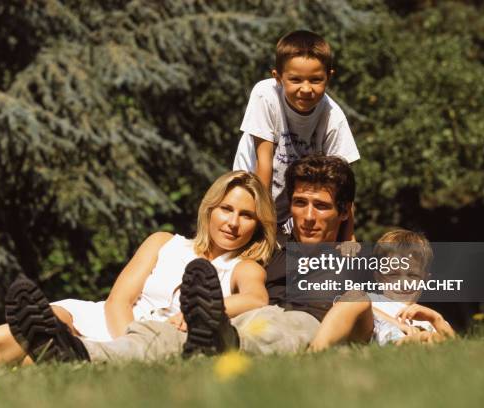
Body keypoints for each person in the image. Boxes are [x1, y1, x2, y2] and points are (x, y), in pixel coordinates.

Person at [0, 170, 277, 372]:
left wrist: (208, 310)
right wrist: (126, 336)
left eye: (246, 215)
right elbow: (117, 301)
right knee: (48, 319)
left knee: (34, 361)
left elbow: (255, 298)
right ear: (209, 209)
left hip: (155, 340)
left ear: (257, 225)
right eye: (226, 209)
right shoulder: (164, 242)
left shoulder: (241, 266)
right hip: (113, 322)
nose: (233, 223)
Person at [183, 154, 358, 356]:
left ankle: (226, 343)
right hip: (244, 321)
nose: (308, 217)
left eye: (321, 206)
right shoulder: (265, 249)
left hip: (302, 327)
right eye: (300, 203)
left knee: (283, 325)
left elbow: (368, 309)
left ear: (344, 211)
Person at [232, 30, 360, 234]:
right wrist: (262, 230)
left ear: (329, 77)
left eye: (316, 80)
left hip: (293, 210)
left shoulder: (333, 118)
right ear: (278, 78)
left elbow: (342, 185)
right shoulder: (265, 96)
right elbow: (263, 166)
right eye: (296, 80)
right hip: (252, 195)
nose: (306, 88)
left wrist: (348, 237)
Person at [309, 229, 456, 352]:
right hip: (367, 337)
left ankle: (412, 343)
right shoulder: (372, 300)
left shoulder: (429, 321)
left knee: (432, 339)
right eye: (393, 274)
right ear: (378, 277)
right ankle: (314, 353)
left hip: (407, 348)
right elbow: (343, 306)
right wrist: (396, 323)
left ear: (425, 280)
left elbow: (457, 348)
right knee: (356, 296)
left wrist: (435, 318)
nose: (403, 283)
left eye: (412, 275)